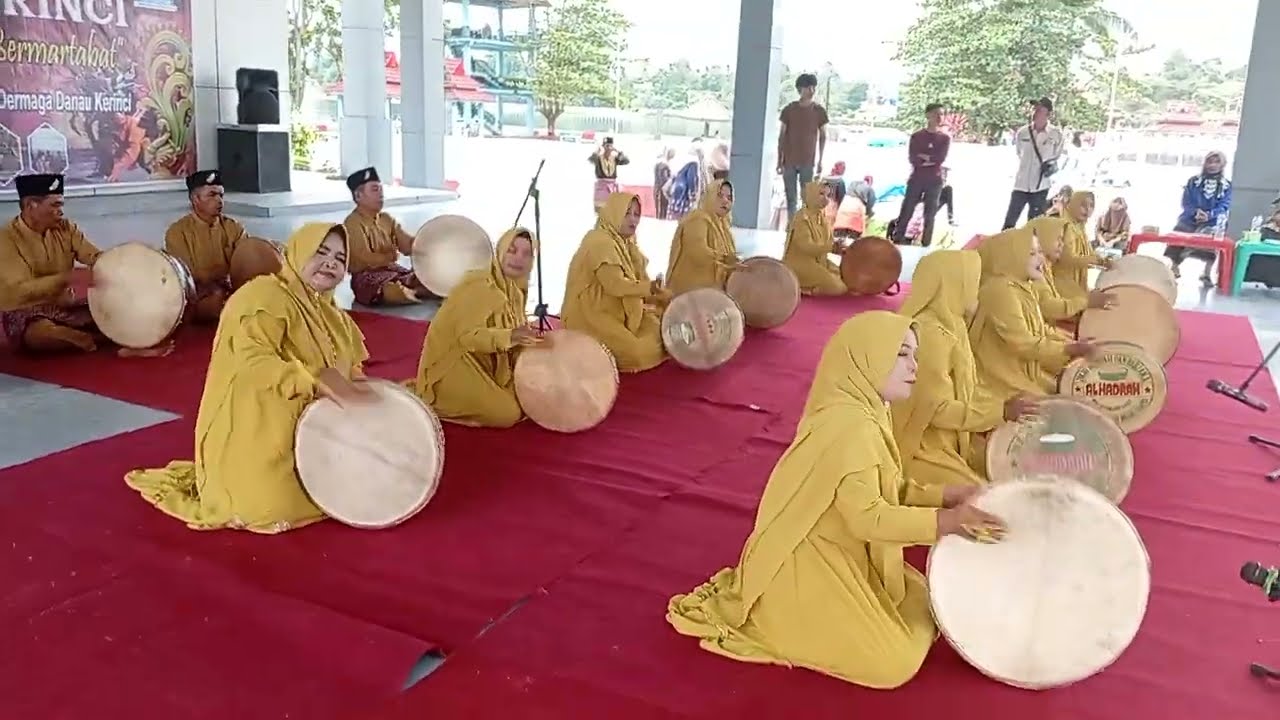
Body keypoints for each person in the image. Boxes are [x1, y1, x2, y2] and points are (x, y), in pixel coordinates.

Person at [666, 311, 1007, 690]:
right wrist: (944, 522)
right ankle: (786, 617)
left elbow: (886, 488)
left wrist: (945, 495)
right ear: (866, 358)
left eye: (914, 354)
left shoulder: (868, 410)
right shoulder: (850, 427)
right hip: (811, 559)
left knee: (922, 603)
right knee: (894, 665)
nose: (915, 366)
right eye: (901, 354)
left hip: (844, 549)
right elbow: (868, 520)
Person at [124, 223, 370, 533]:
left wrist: (361, 388)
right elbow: (254, 360)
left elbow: (350, 365)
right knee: (269, 508)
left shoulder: (332, 313)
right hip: (258, 429)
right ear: (296, 253)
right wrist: (310, 383)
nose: (331, 263)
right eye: (320, 253)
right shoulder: (263, 296)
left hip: (314, 430)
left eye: (339, 258)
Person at [892, 251, 1034, 489]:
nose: (977, 290)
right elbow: (935, 411)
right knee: (989, 499)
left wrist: (1000, 408)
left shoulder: (954, 324)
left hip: (954, 439)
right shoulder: (931, 335)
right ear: (954, 284)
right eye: (973, 282)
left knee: (1020, 468)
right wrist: (998, 411)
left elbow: (966, 389)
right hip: (921, 449)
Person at [413, 228, 540, 428]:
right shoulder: (479, 284)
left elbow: (514, 332)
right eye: (512, 250)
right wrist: (510, 337)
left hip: (486, 361)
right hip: (456, 362)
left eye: (527, 254)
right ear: (500, 251)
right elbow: (467, 337)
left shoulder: (515, 290)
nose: (519, 259)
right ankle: (437, 403)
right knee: (508, 414)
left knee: (530, 396)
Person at [969, 228, 1093, 400]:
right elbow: (1023, 343)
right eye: (1032, 253)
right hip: (1000, 378)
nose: (1041, 259)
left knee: (1076, 391)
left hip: (1027, 369)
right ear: (1012, 256)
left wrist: (1071, 345)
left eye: (1039, 252)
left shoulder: (1022, 285)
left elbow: (1040, 329)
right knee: (1067, 402)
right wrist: (1067, 349)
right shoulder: (1000, 290)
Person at [562, 192, 668, 372]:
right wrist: (649, 288)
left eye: (636, 214)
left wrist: (660, 294)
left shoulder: (626, 242)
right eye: (627, 213)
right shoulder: (599, 242)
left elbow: (639, 276)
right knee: (637, 352)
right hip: (592, 315)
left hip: (619, 310)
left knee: (661, 331)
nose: (633, 220)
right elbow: (616, 286)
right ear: (613, 212)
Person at [163, 169, 247, 323]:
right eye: (212, 195)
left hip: (231, 291)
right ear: (195, 199)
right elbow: (188, 277)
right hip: (199, 296)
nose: (220, 201)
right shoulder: (177, 232)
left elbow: (244, 266)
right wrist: (220, 279)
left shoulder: (234, 228)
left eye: (221, 195)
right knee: (215, 301)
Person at [343, 167, 428, 306]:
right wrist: (390, 257)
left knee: (421, 277)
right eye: (375, 190)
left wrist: (427, 243)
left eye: (381, 190)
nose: (381, 194)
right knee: (385, 288)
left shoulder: (386, 219)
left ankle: (413, 290)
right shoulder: (352, 222)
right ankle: (413, 291)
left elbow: (407, 245)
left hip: (392, 271)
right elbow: (363, 259)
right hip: (366, 276)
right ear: (358, 196)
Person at [1023, 216, 1112, 335]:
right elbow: (1048, 308)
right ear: (1043, 238)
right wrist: (1085, 301)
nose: (1062, 244)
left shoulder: (1045, 266)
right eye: (1058, 239)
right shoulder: (1030, 270)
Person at [1166, 151, 1232, 285]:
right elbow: (1186, 202)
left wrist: (1210, 215)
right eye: (1210, 162)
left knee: (1211, 237)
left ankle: (1206, 273)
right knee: (1180, 232)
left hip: (1212, 221)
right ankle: (1173, 267)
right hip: (1190, 218)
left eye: (1216, 162)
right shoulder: (1193, 181)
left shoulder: (1226, 186)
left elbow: (1225, 205)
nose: (1212, 165)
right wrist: (1195, 212)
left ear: (1222, 165)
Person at [665, 180, 738, 295]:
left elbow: (730, 257)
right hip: (689, 294)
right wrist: (725, 259)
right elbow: (698, 252)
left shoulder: (724, 228)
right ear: (710, 196)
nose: (725, 201)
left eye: (729, 198)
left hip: (710, 294)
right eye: (720, 195)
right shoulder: (697, 219)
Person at [892, 103, 950, 248]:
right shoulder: (917, 136)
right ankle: (897, 240)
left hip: (934, 180)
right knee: (907, 210)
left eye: (941, 114)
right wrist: (929, 159)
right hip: (917, 178)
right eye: (936, 113)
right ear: (928, 115)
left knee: (929, 215)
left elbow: (940, 159)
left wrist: (926, 158)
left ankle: (925, 244)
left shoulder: (944, 139)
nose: (939, 117)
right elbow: (913, 159)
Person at [1002, 97, 1065, 229]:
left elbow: (1056, 155)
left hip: (1041, 185)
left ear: (1048, 114)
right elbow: (1020, 153)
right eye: (1034, 109)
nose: (1035, 113)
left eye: (1039, 110)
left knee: (1035, 225)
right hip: (1021, 183)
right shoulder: (1023, 132)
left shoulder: (1055, 134)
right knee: (1010, 221)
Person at [777, 73, 830, 221]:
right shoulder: (789, 110)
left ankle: (805, 227)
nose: (812, 90)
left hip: (808, 161)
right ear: (801, 89)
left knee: (807, 198)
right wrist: (779, 160)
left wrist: (820, 160)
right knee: (791, 198)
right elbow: (781, 136)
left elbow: (824, 136)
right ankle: (792, 227)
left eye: (813, 87)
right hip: (789, 160)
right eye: (809, 87)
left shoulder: (819, 111)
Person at [782, 181, 846, 295]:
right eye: (821, 194)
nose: (826, 199)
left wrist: (840, 247)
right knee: (838, 287)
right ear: (811, 195)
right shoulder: (801, 218)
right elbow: (807, 247)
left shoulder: (822, 218)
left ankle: (810, 285)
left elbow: (829, 242)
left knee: (845, 277)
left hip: (819, 261)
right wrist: (831, 248)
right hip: (801, 263)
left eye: (827, 195)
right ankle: (804, 289)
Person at [1053, 191, 1111, 301]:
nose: (1088, 209)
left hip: (1077, 281)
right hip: (1061, 284)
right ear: (1073, 204)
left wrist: (1104, 261)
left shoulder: (1080, 227)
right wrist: (1092, 260)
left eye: (1091, 206)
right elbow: (1065, 260)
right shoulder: (1064, 227)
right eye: (1083, 205)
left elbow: (1088, 252)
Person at [589, 137, 630, 212]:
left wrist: (618, 151)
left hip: (612, 188)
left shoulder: (614, 158)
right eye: (607, 146)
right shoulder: (598, 158)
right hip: (601, 188)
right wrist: (597, 151)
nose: (609, 148)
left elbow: (626, 161)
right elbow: (591, 159)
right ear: (603, 147)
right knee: (601, 211)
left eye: (610, 146)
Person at [653, 148, 675, 221]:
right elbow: (665, 179)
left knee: (659, 210)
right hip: (662, 190)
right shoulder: (665, 165)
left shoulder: (657, 164)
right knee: (663, 209)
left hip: (657, 188)